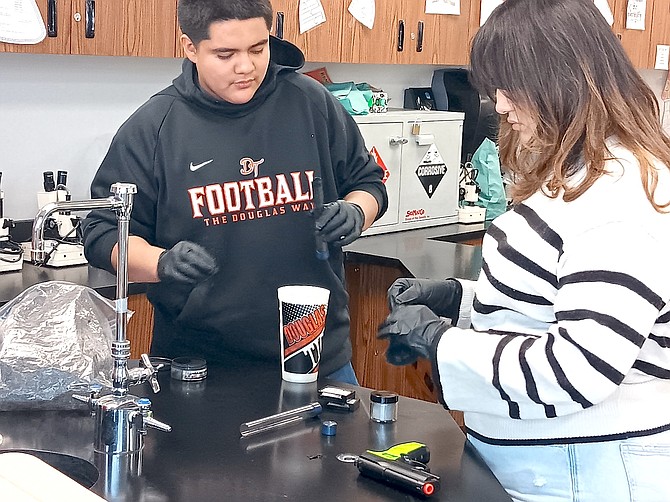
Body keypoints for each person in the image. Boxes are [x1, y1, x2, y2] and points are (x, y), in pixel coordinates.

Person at [378, 0, 670, 500]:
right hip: (552, 460)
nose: (499, 104)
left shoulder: (619, 197)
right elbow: (555, 300)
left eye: (506, 87)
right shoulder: (585, 173)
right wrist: (461, 299)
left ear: (558, 79)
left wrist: (440, 339)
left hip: (587, 468)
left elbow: (580, 366)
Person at [82, 0, 387, 385]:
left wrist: (357, 211)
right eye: (225, 54)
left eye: (258, 49)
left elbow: (369, 182)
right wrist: (160, 263)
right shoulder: (155, 126)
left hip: (317, 354)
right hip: (200, 366)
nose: (246, 67)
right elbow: (102, 233)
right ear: (190, 47)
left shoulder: (311, 102)